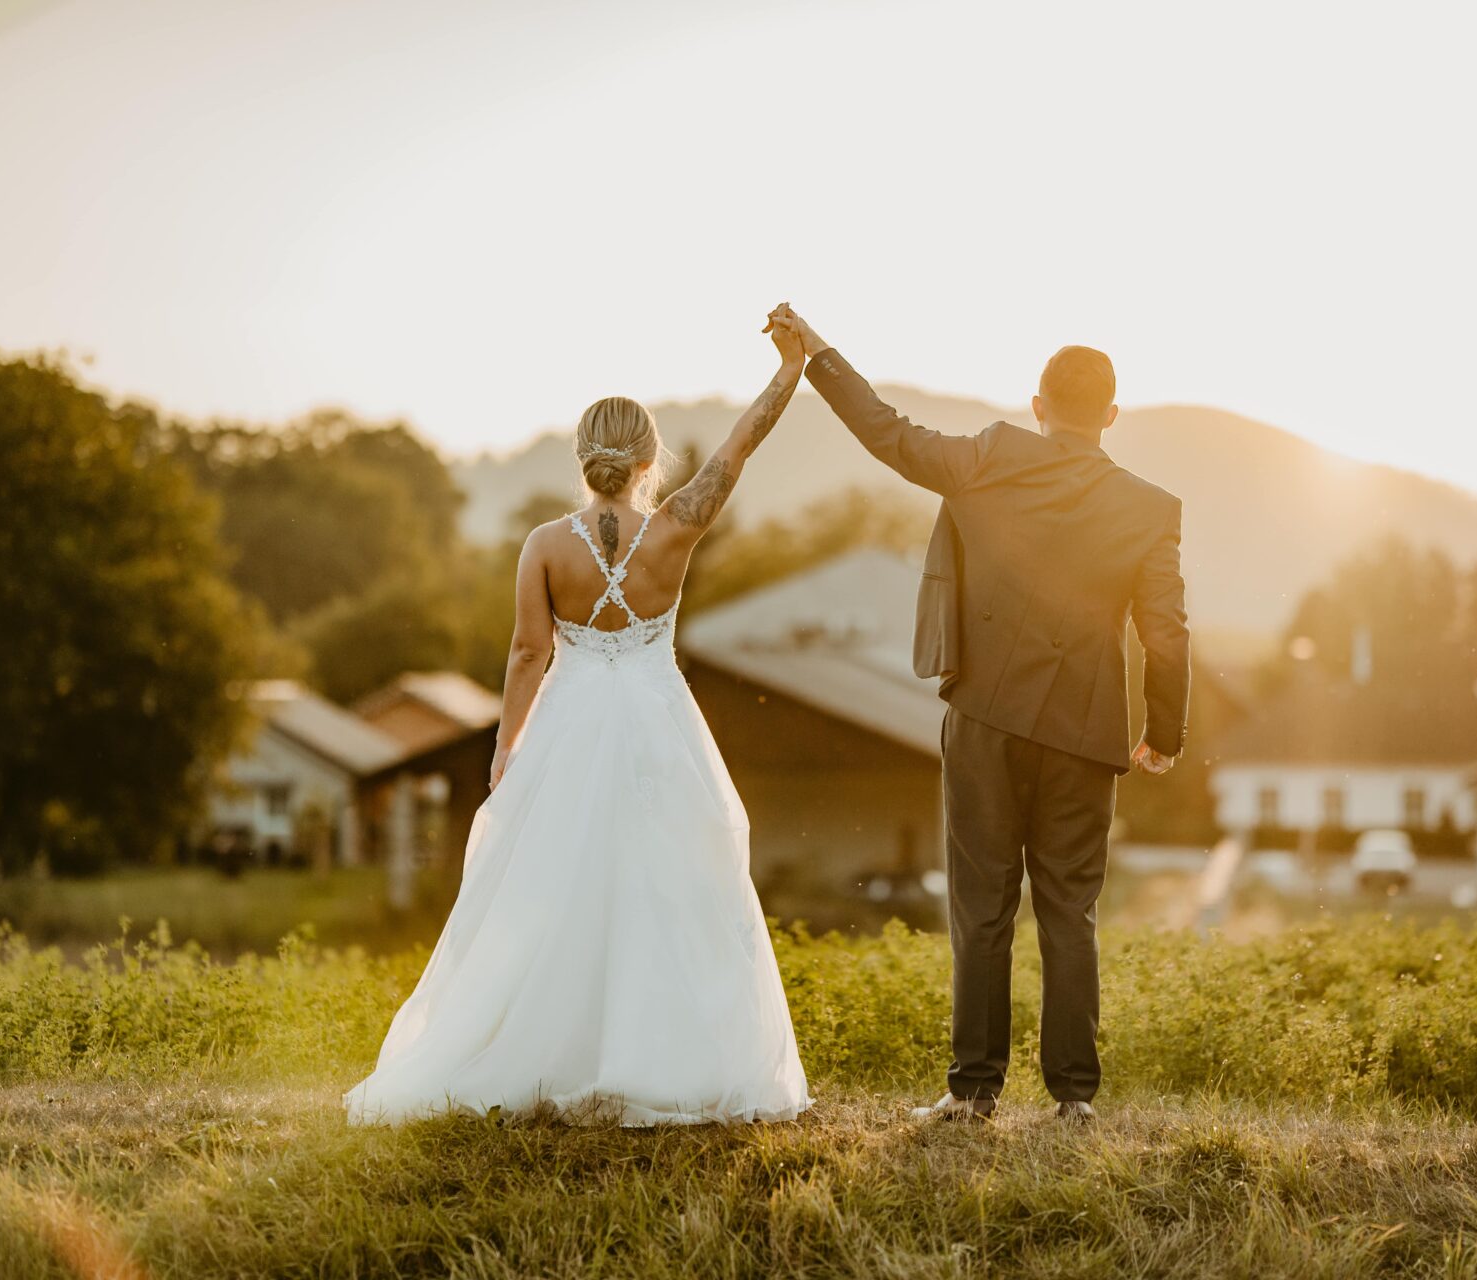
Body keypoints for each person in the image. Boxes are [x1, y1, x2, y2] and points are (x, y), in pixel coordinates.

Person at [344, 314, 813, 1126]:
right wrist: (789, 372)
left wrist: (506, 753)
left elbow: (529, 656)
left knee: (554, 890)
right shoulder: (676, 527)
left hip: (571, 728)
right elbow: (737, 451)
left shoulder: (542, 545)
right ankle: (666, 1061)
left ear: (583, 459)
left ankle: (551, 1053)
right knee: (672, 886)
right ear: (646, 460)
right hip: (661, 728)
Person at [768, 305, 1190, 1123]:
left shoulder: (990, 458)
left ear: (1038, 404)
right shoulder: (1151, 508)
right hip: (1085, 730)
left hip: (986, 721)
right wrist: (1163, 732)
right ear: (1110, 416)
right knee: (1071, 911)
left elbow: (888, 432)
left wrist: (816, 353)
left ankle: (973, 1092)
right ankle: (1074, 1100)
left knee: (981, 907)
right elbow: (1166, 632)